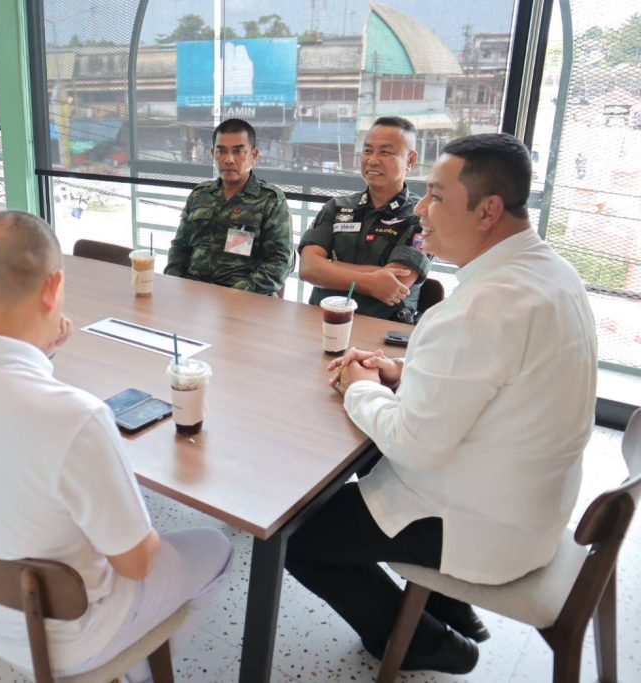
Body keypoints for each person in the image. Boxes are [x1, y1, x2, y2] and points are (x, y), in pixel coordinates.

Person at [284, 134, 597, 674]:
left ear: (488, 210)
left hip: (480, 522)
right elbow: (499, 380)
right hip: (532, 502)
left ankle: (430, 644)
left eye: (436, 196)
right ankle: (449, 606)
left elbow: (414, 445)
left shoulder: (482, 306)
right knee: (366, 465)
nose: (422, 210)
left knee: (297, 536)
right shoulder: (551, 272)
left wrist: (359, 385)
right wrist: (400, 371)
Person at [0, 211, 233, 681]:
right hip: (71, 640)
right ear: (52, 289)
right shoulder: (75, 417)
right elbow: (138, 563)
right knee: (214, 547)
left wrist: (41, 352)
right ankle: (139, 672)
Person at [297, 116, 432, 321]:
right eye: (368, 151)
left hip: (382, 327)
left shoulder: (420, 215)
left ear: (410, 160)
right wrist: (371, 281)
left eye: (385, 152)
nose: (373, 160)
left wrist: (331, 266)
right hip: (323, 320)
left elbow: (395, 283)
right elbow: (308, 268)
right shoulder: (337, 207)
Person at [165, 118, 294, 296]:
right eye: (222, 151)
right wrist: (173, 282)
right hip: (193, 295)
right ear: (213, 154)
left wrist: (236, 293)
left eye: (238, 151)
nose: (229, 160)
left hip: (243, 299)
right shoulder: (200, 194)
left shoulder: (270, 201)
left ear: (254, 155)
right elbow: (180, 246)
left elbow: (281, 262)